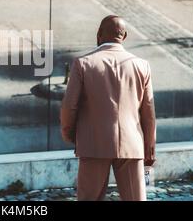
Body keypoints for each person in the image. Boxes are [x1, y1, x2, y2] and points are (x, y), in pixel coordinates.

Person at [60, 15, 156, 201]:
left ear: (99, 35)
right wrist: (149, 145)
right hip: (131, 145)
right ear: (124, 36)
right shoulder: (142, 65)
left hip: (93, 143)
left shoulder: (83, 64)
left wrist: (70, 134)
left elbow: (69, 106)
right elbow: (148, 111)